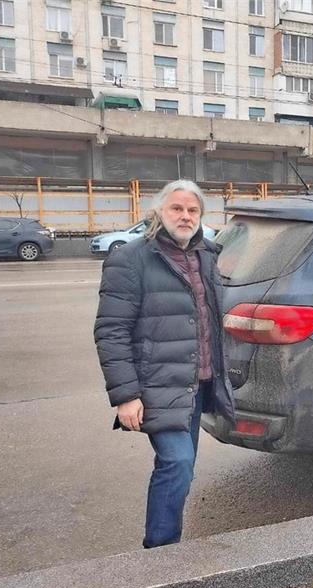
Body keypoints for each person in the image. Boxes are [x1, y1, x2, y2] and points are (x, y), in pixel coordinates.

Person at [94, 180, 234, 548]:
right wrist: (126, 396)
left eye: (193, 210)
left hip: (196, 386)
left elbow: (208, 320)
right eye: (177, 209)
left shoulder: (206, 255)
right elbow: (111, 331)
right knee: (177, 464)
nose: (185, 216)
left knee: (180, 470)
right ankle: (159, 552)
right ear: (159, 212)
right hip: (157, 388)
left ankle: (166, 542)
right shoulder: (131, 258)